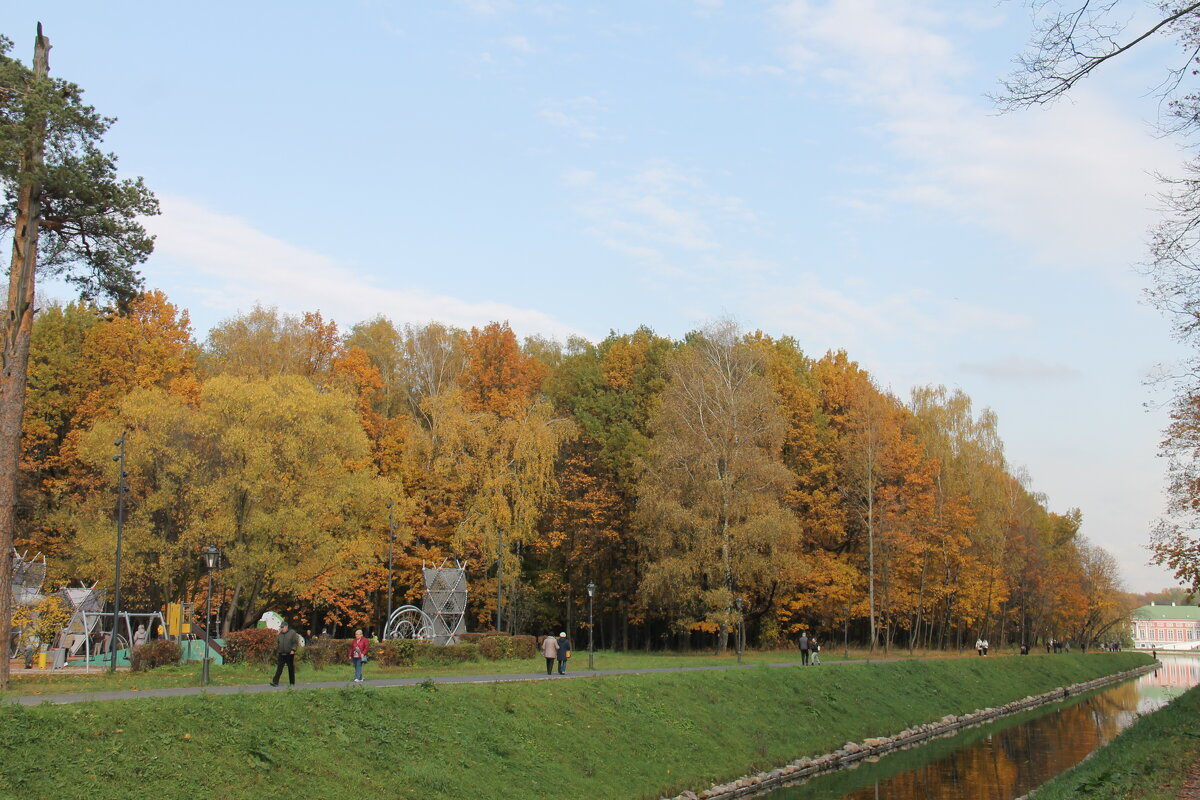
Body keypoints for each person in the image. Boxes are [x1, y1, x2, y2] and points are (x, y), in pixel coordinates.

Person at [270, 621, 301, 687]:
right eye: (281, 627)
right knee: (279, 668)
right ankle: (275, 682)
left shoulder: (292, 633)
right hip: (281, 653)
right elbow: (277, 642)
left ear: (286, 627)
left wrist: (293, 650)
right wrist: (277, 636)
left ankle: (292, 683)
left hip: (289, 653)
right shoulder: (280, 634)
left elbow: (295, 642)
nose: (282, 628)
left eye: (283, 627)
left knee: (290, 668)